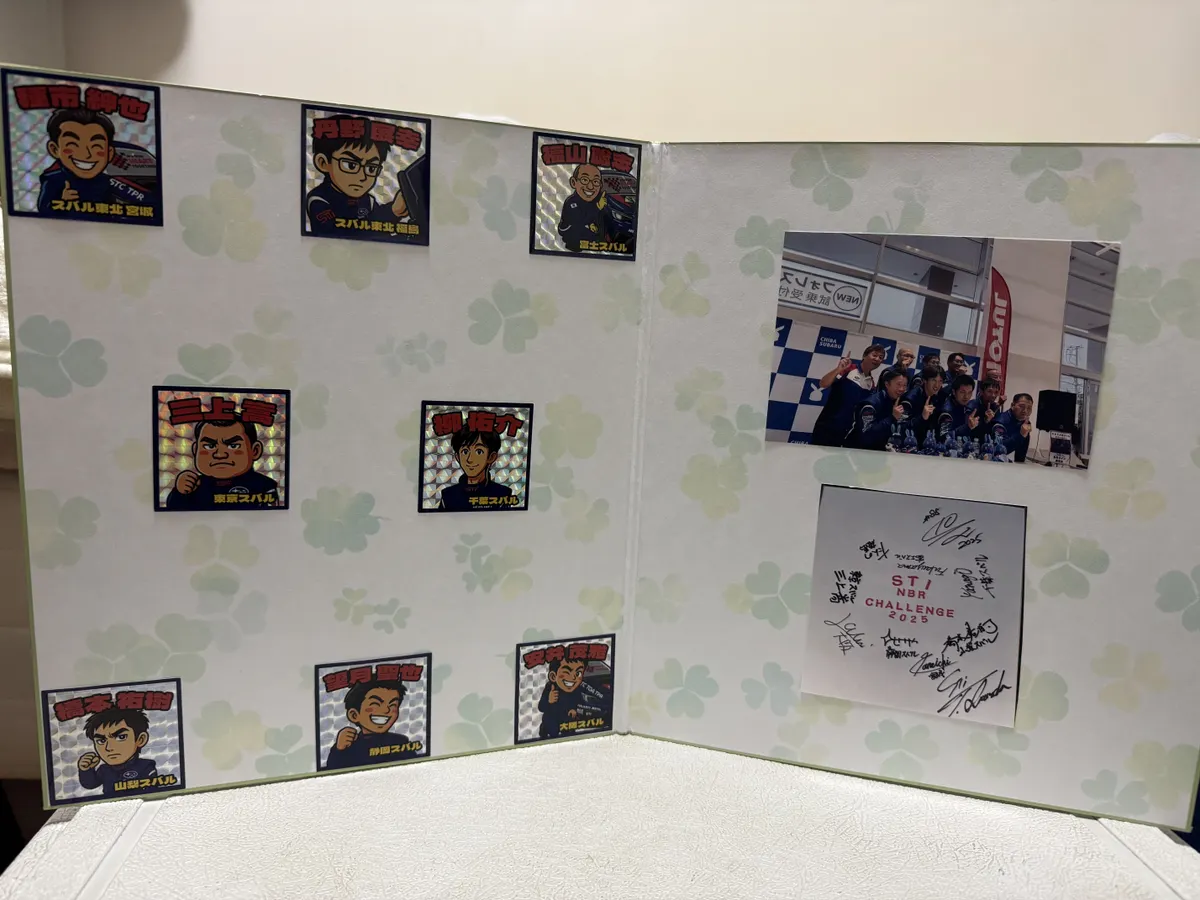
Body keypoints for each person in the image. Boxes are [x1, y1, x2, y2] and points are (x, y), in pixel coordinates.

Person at [305, 114, 414, 236]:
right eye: (351, 165)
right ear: (323, 163)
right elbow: (337, 235)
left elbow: (378, 221)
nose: (362, 177)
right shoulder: (319, 199)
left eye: (371, 168)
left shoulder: (368, 200)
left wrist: (395, 210)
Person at [36, 108, 155, 216]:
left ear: (109, 153)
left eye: (96, 146)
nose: (86, 154)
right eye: (73, 144)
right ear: (54, 149)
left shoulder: (108, 182)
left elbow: (145, 205)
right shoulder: (54, 180)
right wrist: (60, 202)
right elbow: (44, 210)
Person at [165, 416, 280, 510]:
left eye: (233, 446)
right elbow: (174, 513)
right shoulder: (193, 486)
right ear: (195, 451)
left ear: (255, 451)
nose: (220, 454)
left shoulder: (264, 485)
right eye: (209, 446)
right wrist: (180, 492)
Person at [325, 678, 420, 770]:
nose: (386, 710)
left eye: (393, 705)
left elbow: (413, 765)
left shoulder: (400, 741)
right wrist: (339, 749)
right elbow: (333, 769)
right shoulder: (350, 745)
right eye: (375, 704)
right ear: (354, 715)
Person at [810, 344, 887, 447]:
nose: (877, 359)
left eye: (880, 357)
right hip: (827, 426)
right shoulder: (849, 369)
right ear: (864, 356)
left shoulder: (871, 383)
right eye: (874, 355)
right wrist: (838, 369)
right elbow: (823, 384)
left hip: (846, 432)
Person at [77, 708, 158, 798]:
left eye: (121, 737)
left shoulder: (145, 766)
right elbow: (90, 784)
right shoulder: (104, 769)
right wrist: (86, 770)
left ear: (140, 739)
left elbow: (152, 791)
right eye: (101, 741)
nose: (109, 748)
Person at [437, 428, 514, 511]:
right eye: (465, 452)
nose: (470, 459)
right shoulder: (448, 495)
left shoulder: (503, 493)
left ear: (491, 457)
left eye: (479, 452)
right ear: (457, 457)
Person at [537, 658, 610, 740]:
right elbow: (541, 707)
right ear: (553, 676)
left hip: (567, 722)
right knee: (551, 732)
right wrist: (549, 701)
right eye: (567, 672)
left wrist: (574, 709)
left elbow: (578, 701)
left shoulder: (576, 688)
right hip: (551, 722)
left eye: (578, 673)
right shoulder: (550, 687)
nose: (573, 677)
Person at [557, 163, 616, 252]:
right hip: (574, 243)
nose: (590, 186)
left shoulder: (598, 199)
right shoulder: (571, 202)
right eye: (584, 180)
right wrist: (598, 208)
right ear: (573, 182)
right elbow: (579, 221)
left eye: (595, 182)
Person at [847, 369, 908, 451]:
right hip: (856, 451)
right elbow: (867, 436)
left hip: (878, 451)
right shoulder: (871, 404)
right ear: (887, 384)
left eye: (905, 385)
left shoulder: (896, 401)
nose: (902, 389)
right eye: (898, 384)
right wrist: (892, 418)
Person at [901, 365, 944, 448]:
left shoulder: (937, 397)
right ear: (924, 380)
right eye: (933, 380)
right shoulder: (911, 397)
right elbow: (901, 428)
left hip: (926, 445)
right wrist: (922, 417)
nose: (937, 385)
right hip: (908, 446)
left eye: (940, 381)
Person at [987, 393, 1034, 462]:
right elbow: (999, 450)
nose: (1025, 411)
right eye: (1021, 406)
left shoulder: (1024, 422)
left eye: (1029, 408)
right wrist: (1021, 435)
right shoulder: (1000, 421)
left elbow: (1021, 456)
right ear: (1012, 405)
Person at [937, 374, 981, 442]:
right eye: (962, 392)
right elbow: (944, 438)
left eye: (969, 392)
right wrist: (967, 427)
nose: (966, 396)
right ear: (954, 392)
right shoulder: (947, 411)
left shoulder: (965, 406)